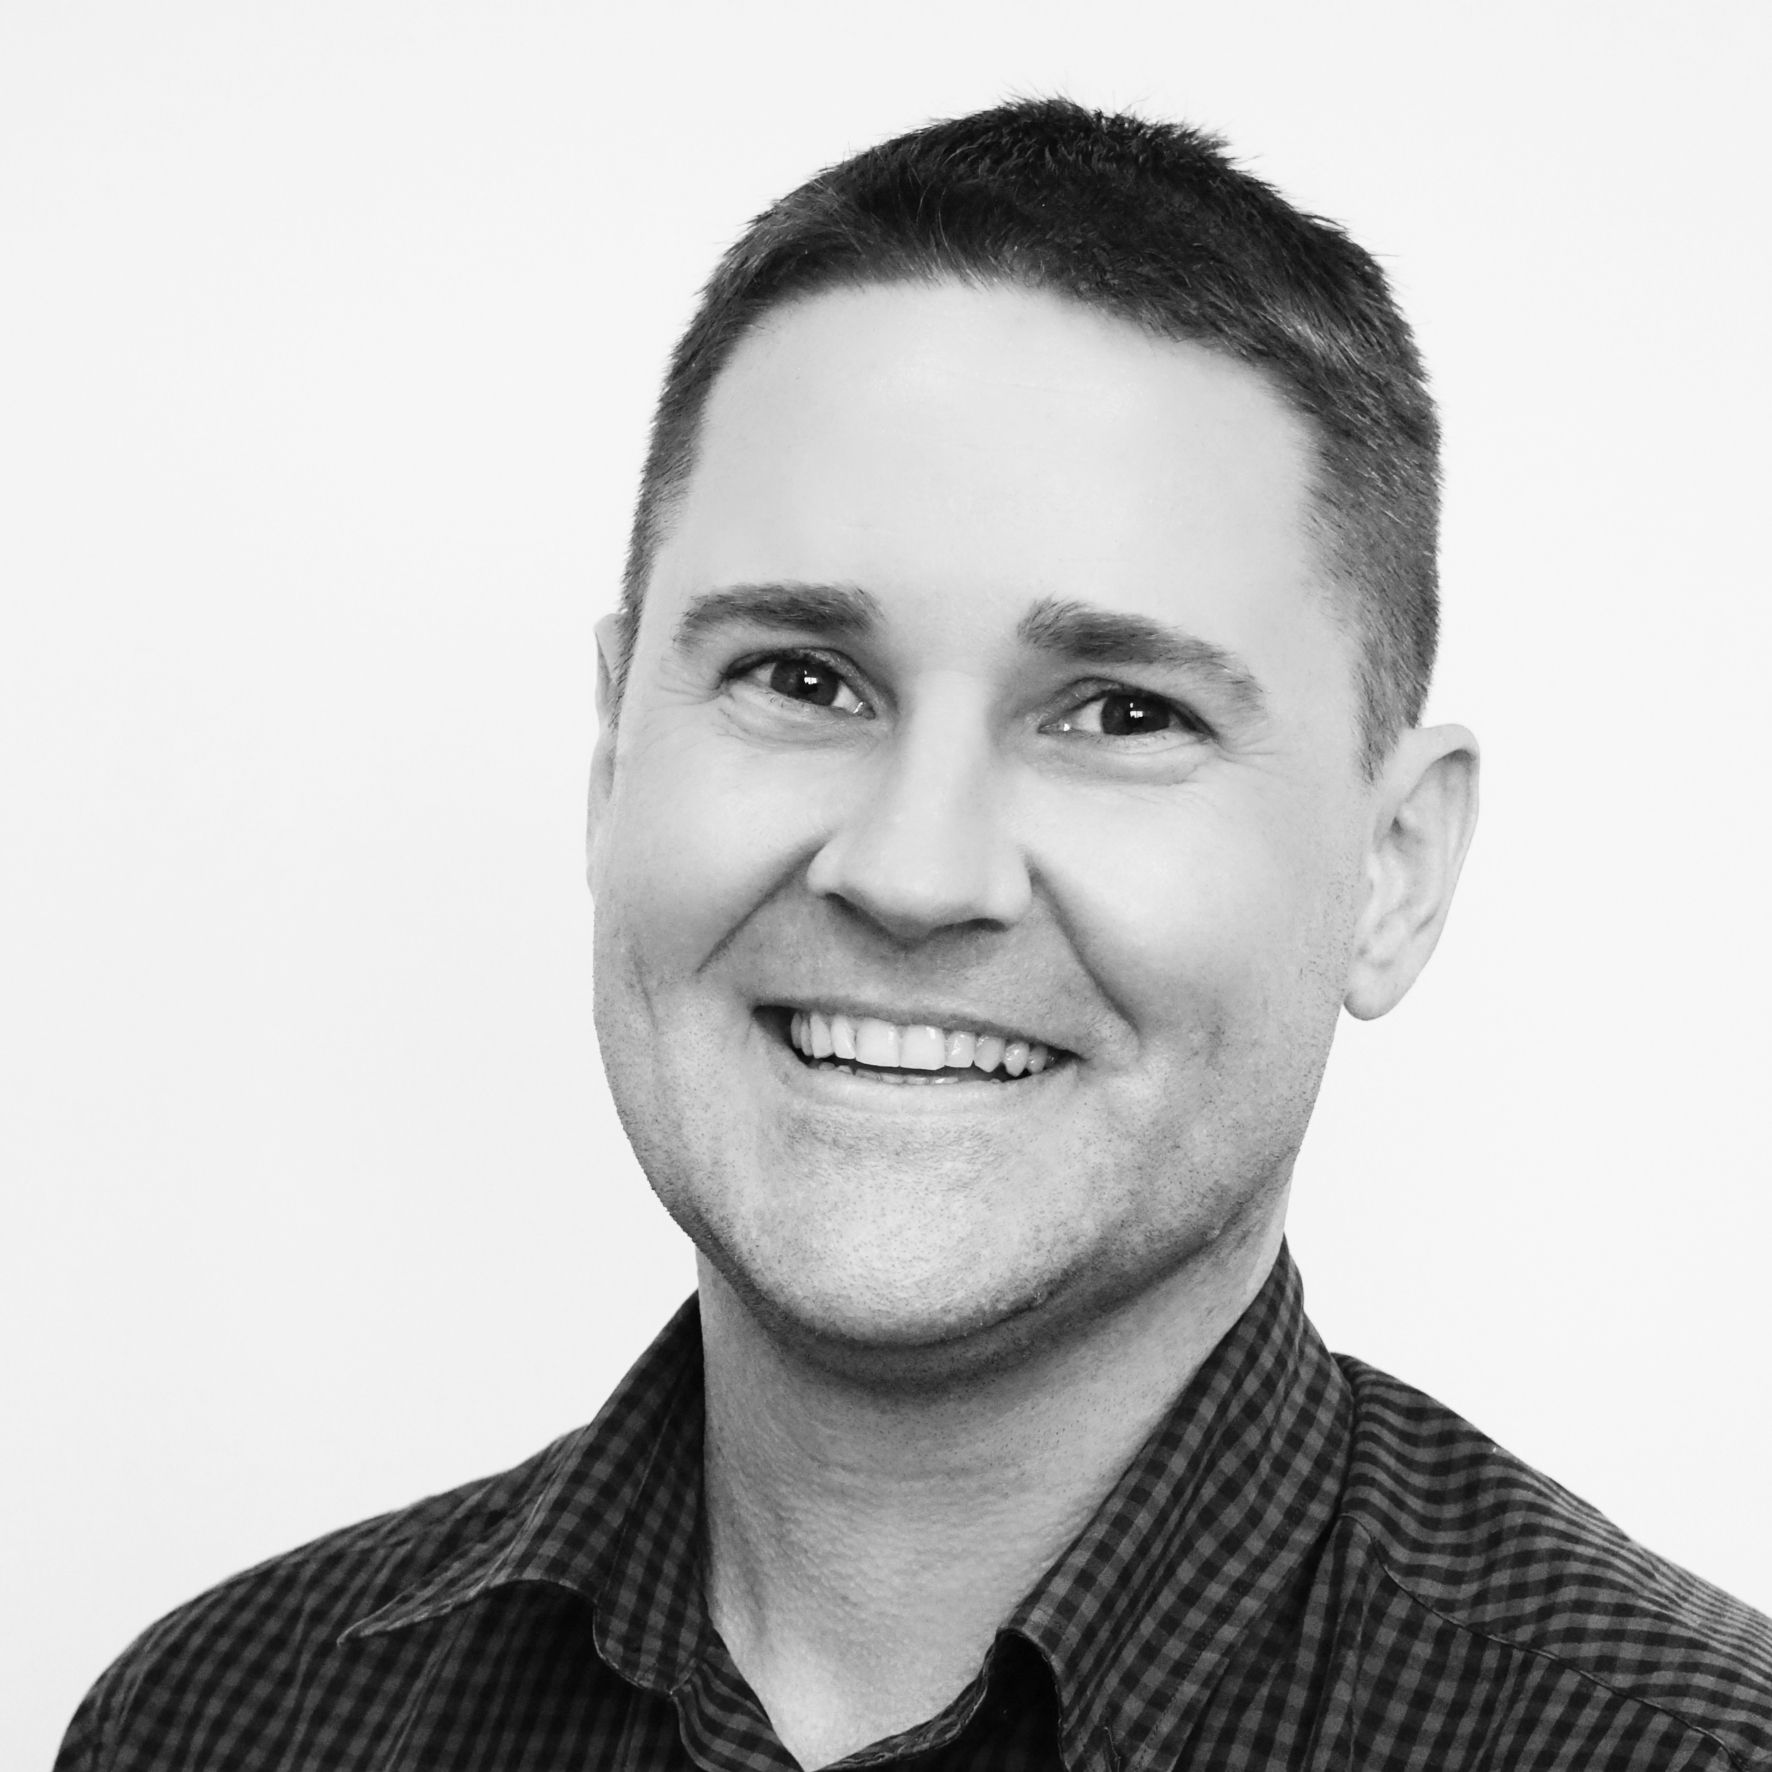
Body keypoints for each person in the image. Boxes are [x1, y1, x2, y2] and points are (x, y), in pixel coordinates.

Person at [56, 97, 1772, 1772]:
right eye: (801, 680)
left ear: (1394, 867)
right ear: (612, 756)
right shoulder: (224, 1718)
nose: (912, 868)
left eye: (1117, 712)